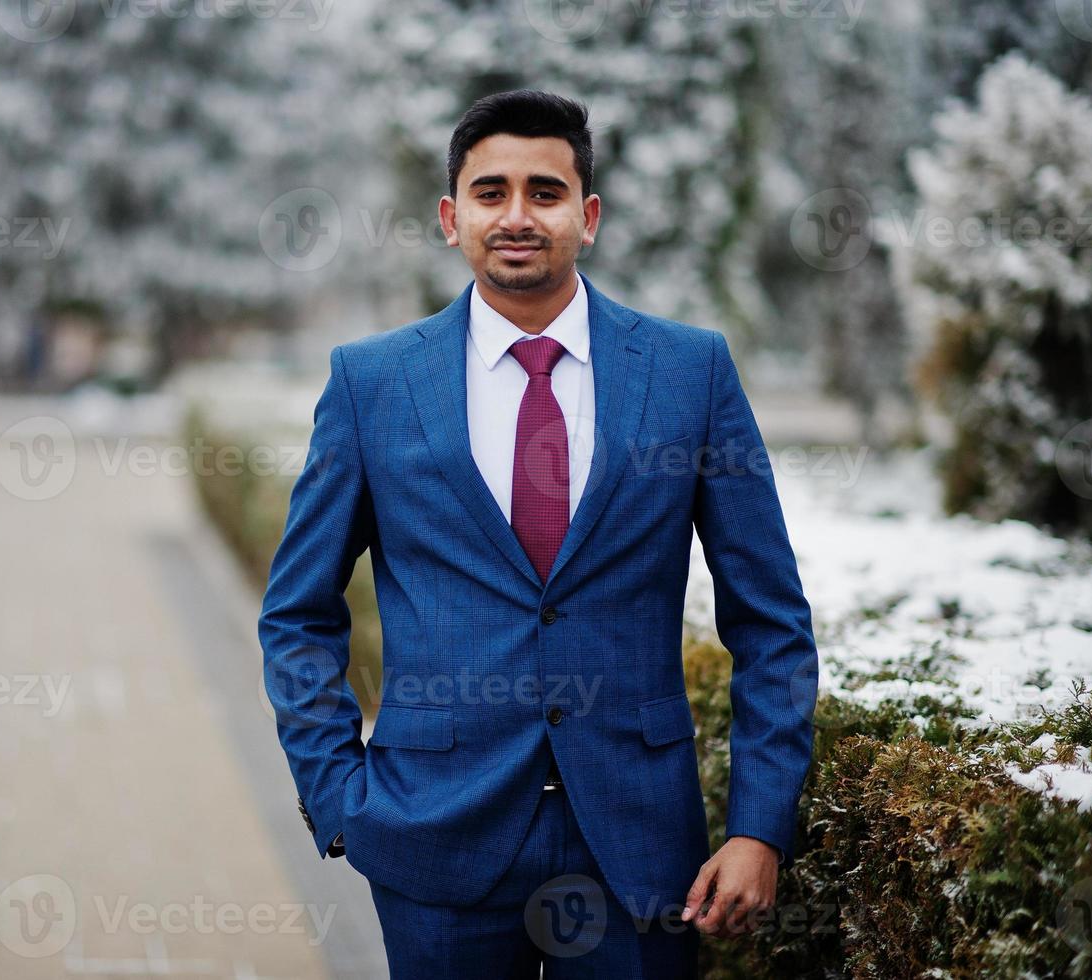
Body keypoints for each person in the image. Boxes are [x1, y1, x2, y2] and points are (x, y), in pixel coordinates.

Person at [260, 89, 818, 977]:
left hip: (637, 850)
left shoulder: (688, 372)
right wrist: (337, 796)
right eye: (490, 192)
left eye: (544, 192)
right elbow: (296, 612)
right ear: (451, 218)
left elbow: (771, 621)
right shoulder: (370, 383)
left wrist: (758, 826)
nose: (517, 215)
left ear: (586, 216)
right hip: (431, 839)